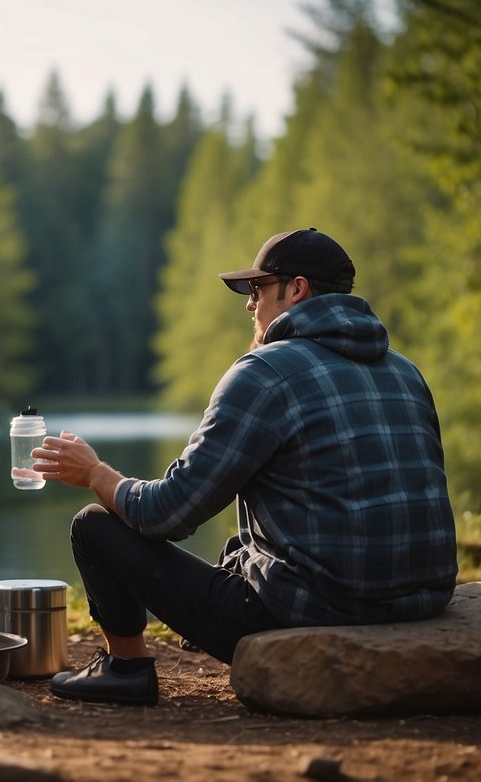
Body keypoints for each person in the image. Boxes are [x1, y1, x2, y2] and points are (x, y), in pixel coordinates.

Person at [32, 228, 458, 706]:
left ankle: (125, 667)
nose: (249, 305)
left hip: (318, 608)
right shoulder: (405, 371)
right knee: (242, 545)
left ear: (296, 289)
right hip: (422, 596)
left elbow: (167, 514)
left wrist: (95, 473)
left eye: (257, 289)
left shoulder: (264, 374)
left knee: (94, 527)